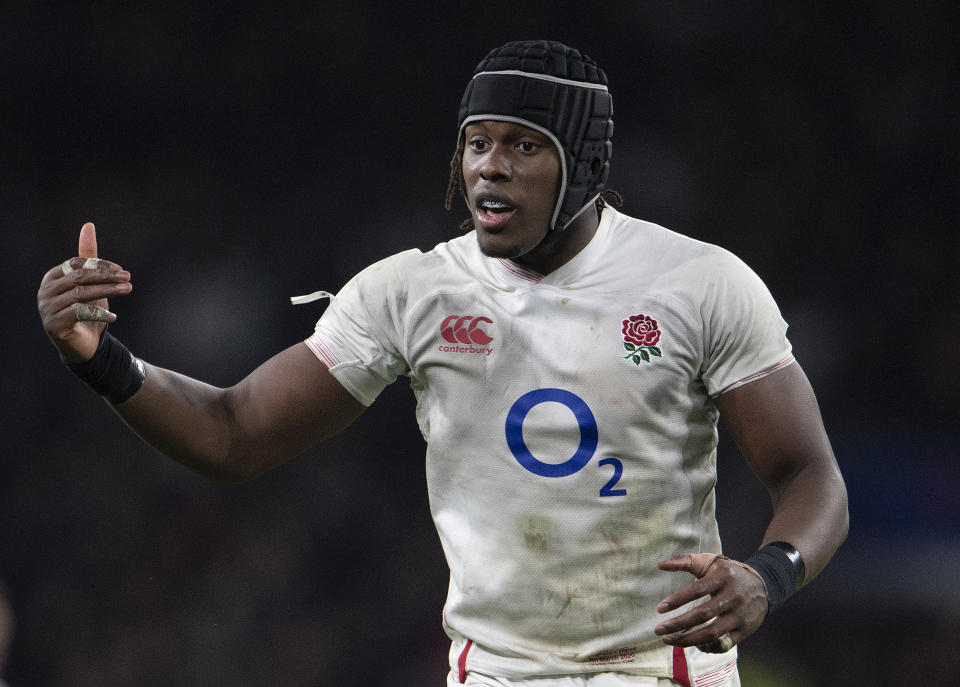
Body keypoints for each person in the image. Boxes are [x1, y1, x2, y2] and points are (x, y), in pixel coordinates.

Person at [37, 40, 848, 687]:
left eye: (524, 146)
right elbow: (232, 432)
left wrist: (768, 574)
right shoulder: (415, 291)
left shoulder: (698, 283)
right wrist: (101, 358)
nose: (489, 166)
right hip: (488, 672)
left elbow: (809, 473)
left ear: (587, 165)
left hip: (657, 671)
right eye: (477, 142)